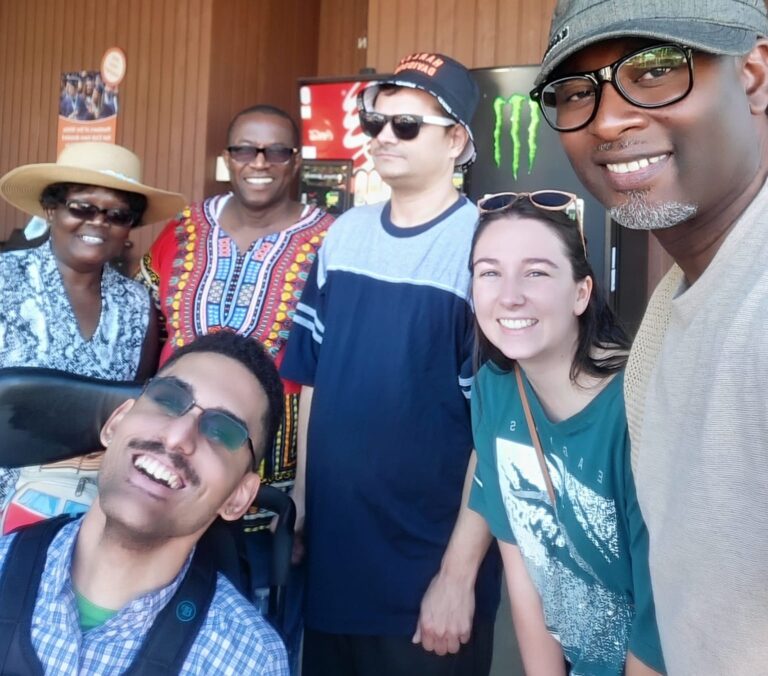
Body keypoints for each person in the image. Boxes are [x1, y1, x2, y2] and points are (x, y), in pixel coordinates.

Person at [530, 1, 768, 673]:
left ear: (754, 74)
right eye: (575, 91)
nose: (607, 120)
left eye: (657, 69)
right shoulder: (671, 310)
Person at [281, 52, 501, 675]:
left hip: (427, 580)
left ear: (456, 139)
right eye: (373, 121)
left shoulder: (484, 249)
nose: (381, 137)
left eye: (405, 125)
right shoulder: (343, 235)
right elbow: (313, 380)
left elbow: (498, 429)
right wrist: (300, 504)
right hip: (332, 564)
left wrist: (458, 576)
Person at [139, 103, 334, 671]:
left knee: (257, 630)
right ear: (227, 159)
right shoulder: (181, 234)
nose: (260, 163)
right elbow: (148, 345)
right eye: (245, 150)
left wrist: (303, 499)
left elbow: (331, 373)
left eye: (276, 151)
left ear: (295, 161)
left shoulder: (332, 243)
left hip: (271, 493)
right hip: (168, 473)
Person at [0, 331, 289, 674]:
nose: (178, 436)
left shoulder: (249, 662)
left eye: (222, 432)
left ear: (238, 497)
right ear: (116, 423)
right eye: (168, 399)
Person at [468, 192, 664, 676]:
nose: (509, 295)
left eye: (536, 272)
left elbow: (660, 615)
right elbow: (523, 567)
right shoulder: (495, 392)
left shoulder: (639, 408)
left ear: (581, 292)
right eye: (489, 272)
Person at [0, 141, 185, 524]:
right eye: (82, 207)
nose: (98, 222)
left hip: (93, 508)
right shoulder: (5, 279)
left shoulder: (137, 306)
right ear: (52, 209)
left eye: (117, 215)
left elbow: (132, 411)